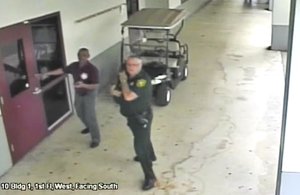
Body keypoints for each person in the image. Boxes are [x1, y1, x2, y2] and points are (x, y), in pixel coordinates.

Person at [36, 48, 100, 148]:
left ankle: (95, 138)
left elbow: (95, 85)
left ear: (88, 56)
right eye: (80, 55)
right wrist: (46, 73)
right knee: (79, 112)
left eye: (84, 55)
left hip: (89, 93)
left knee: (90, 115)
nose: (81, 57)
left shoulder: (92, 69)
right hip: (79, 92)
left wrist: (83, 85)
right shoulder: (74, 66)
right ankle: (89, 126)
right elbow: (61, 70)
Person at [111, 56, 157, 190]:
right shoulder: (128, 77)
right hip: (132, 117)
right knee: (143, 138)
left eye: (135, 65)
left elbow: (128, 96)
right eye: (129, 65)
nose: (131, 67)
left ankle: (150, 177)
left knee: (140, 147)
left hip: (141, 118)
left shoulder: (142, 80)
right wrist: (118, 91)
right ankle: (152, 155)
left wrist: (122, 84)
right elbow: (117, 92)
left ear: (140, 66)